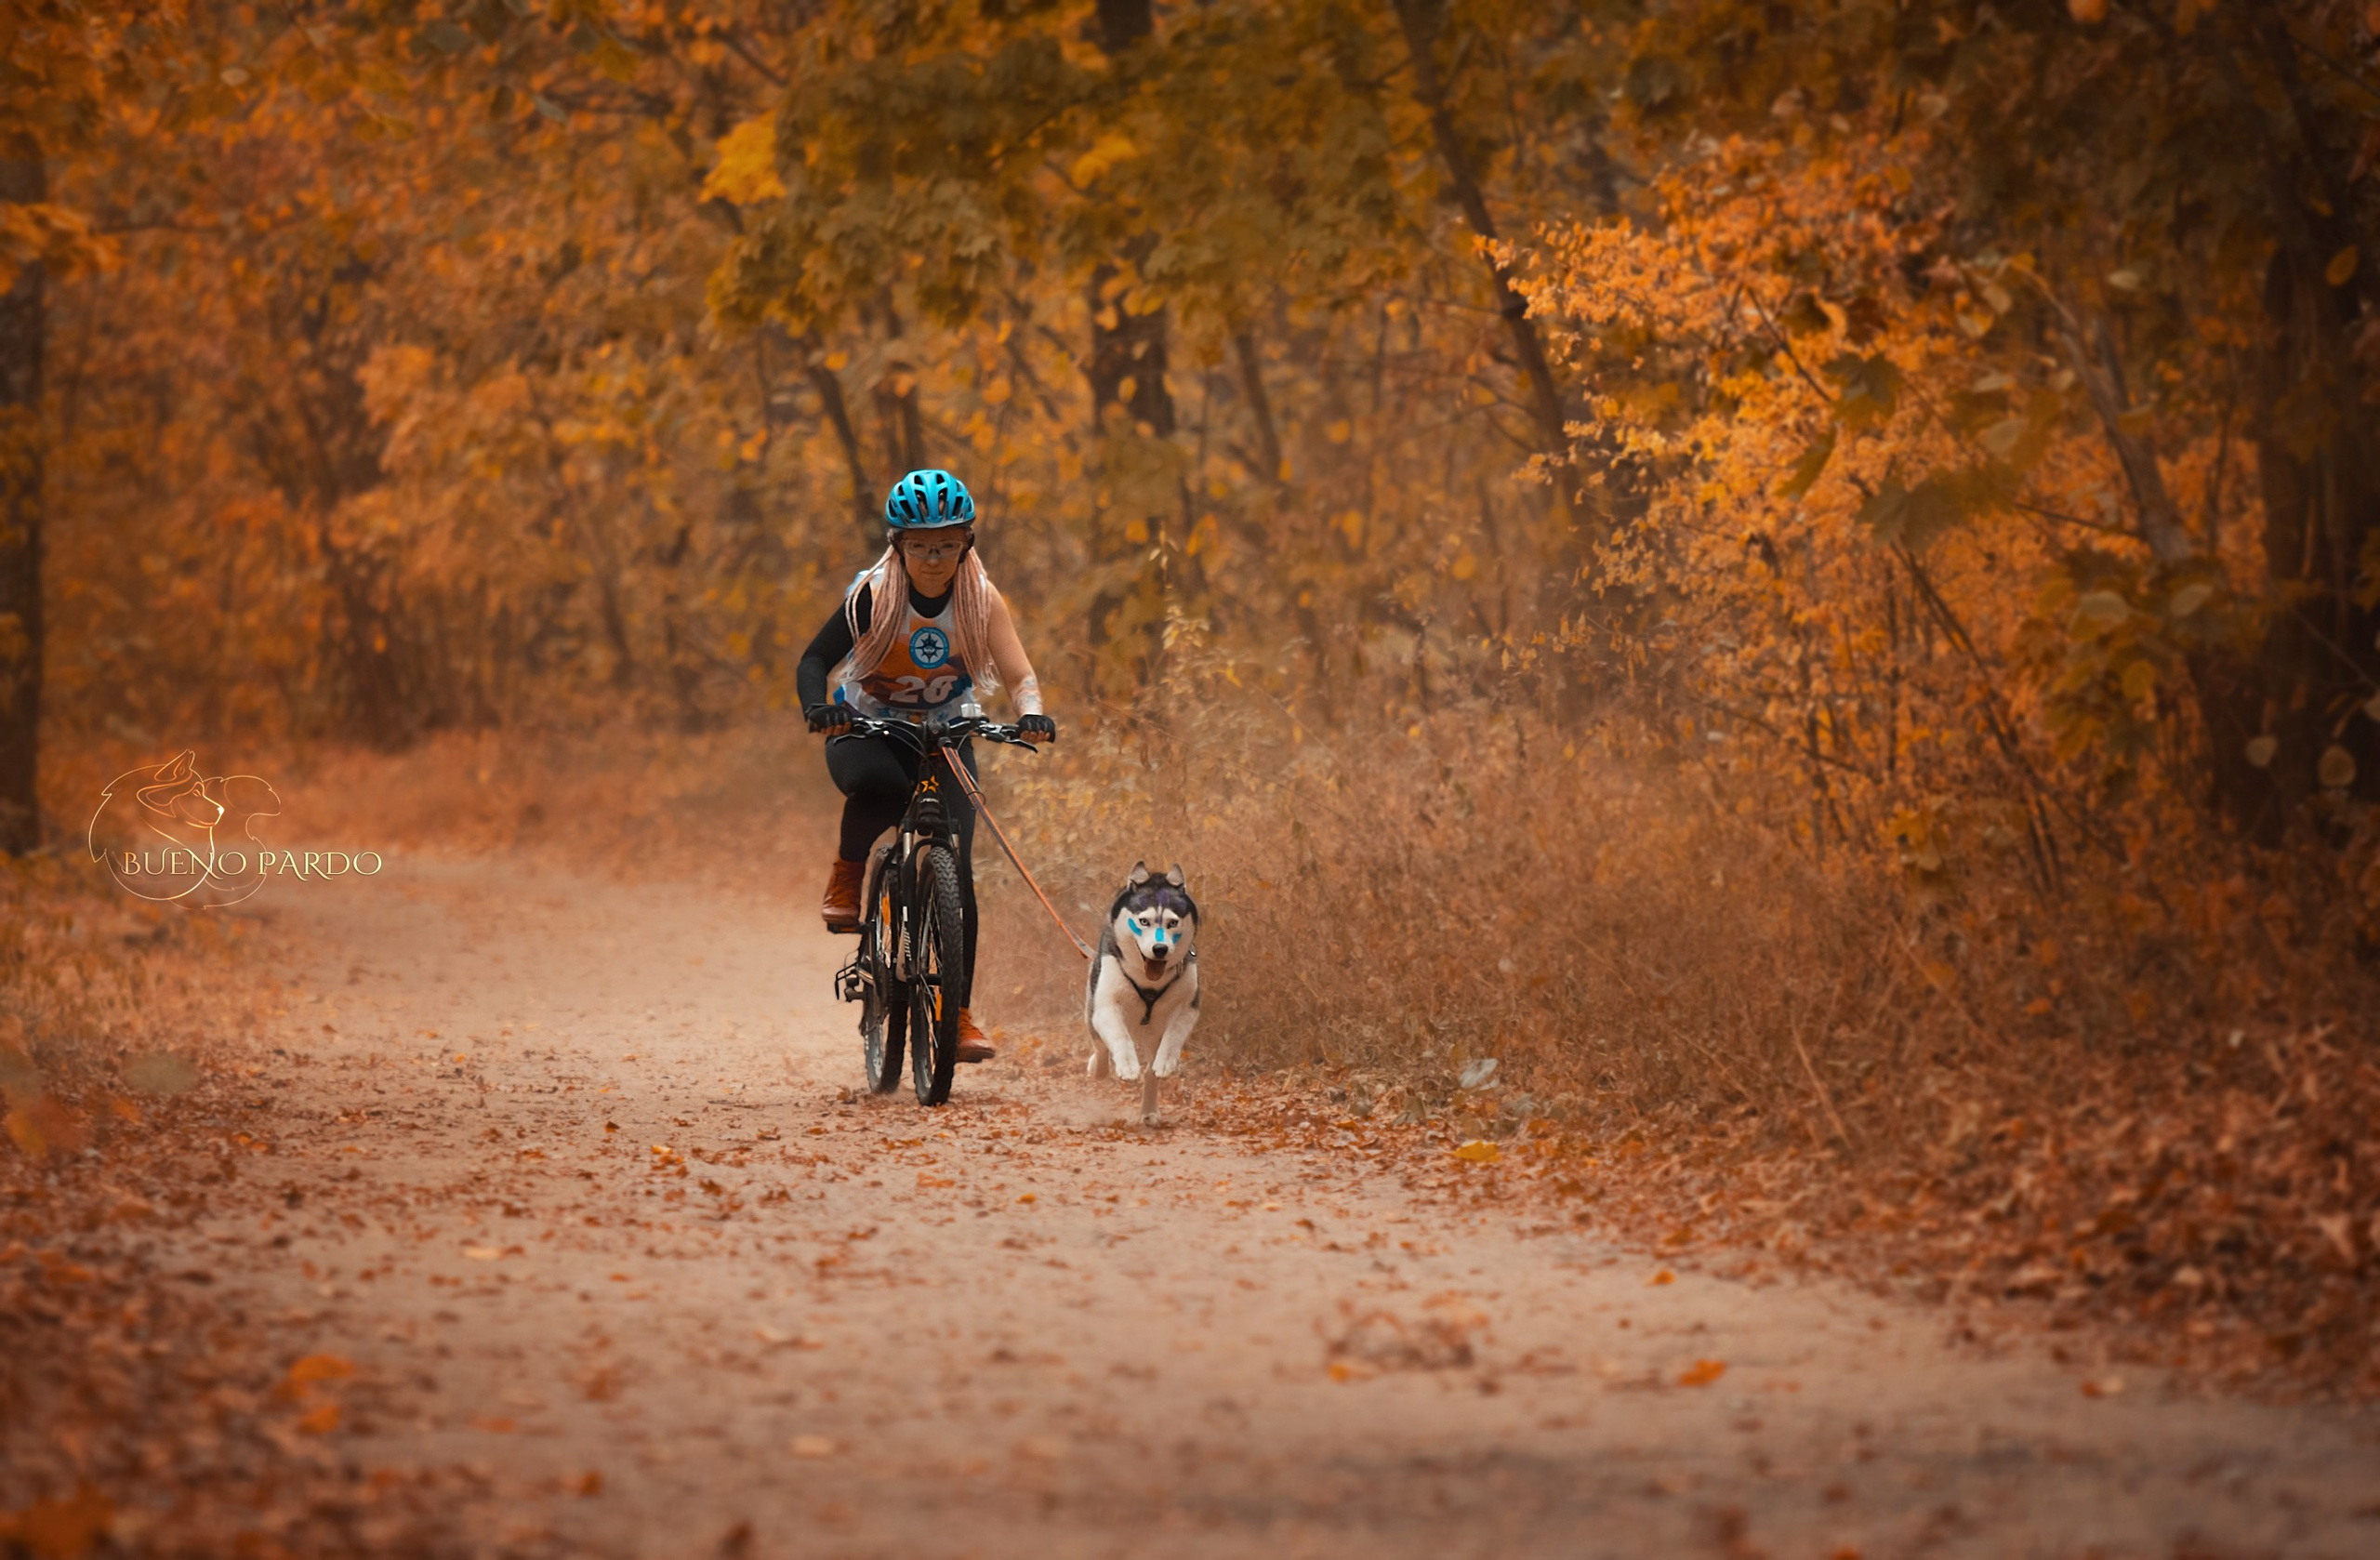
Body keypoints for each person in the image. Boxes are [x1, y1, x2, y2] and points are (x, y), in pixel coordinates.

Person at [796, 469, 1057, 1064]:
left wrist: (1033, 714)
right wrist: (819, 707)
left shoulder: (982, 599)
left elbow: (1019, 674)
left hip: (945, 729)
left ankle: (957, 1013)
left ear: (966, 541)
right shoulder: (872, 595)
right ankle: (848, 872)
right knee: (880, 786)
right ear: (899, 545)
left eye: (946, 543)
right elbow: (814, 660)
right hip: (868, 726)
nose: (934, 558)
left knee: (957, 868)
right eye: (919, 545)